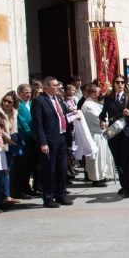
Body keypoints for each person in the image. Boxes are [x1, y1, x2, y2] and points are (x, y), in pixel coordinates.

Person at [31, 77, 78, 208]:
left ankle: (61, 194)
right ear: (46, 87)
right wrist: (43, 142)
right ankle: (48, 197)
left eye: (58, 85)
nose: (58, 87)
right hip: (49, 140)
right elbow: (38, 124)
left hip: (62, 137)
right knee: (49, 169)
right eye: (55, 85)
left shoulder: (58, 99)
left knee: (62, 168)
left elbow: (62, 117)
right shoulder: (39, 101)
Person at [99, 74, 129, 198]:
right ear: (114, 84)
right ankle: (123, 184)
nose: (120, 84)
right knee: (118, 161)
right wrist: (102, 121)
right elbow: (103, 113)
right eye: (117, 82)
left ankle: (128, 188)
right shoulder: (108, 98)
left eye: (122, 82)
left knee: (126, 161)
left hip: (125, 132)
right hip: (113, 133)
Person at [0, 92, 20, 206]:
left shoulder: (14, 112)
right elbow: (0, 130)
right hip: (0, 144)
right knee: (0, 172)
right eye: (5, 100)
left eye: (9, 102)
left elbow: (14, 128)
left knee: (7, 171)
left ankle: (6, 196)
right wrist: (11, 141)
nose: (6, 103)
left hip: (10, 146)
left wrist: (15, 138)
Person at [80, 86, 113, 186]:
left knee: (102, 157)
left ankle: (101, 176)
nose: (101, 95)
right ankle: (96, 179)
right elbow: (98, 119)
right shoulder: (88, 105)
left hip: (101, 134)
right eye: (99, 93)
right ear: (93, 94)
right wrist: (109, 121)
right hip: (94, 135)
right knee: (96, 158)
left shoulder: (94, 103)